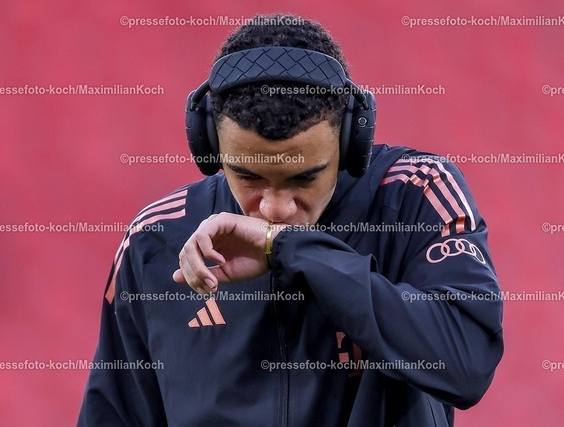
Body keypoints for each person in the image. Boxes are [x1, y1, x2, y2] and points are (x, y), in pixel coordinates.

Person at [78, 13, 503, 427]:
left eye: (304, 178)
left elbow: (466, 363)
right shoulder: (155, 238)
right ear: (211, 147)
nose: (275, 209)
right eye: (248, 177)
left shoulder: (415, 193)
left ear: (349, 143)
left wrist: (288, 249)